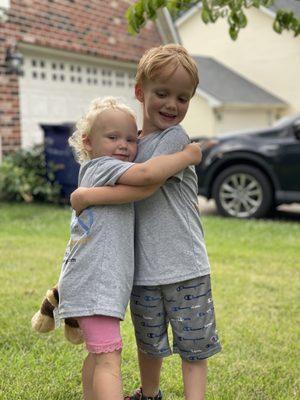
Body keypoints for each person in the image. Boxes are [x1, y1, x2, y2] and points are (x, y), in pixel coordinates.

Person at [71, 45, 221, 400]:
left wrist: (87, 196)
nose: (172, 105)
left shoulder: (176, 139)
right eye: (162, 93)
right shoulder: (129, 143)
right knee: (149, 341)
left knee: (193, 344)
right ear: (140, 92)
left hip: (184, 264)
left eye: (183, 98)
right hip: (141, 270)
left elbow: (147, 183)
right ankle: (149, 393)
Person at [57, 96, 202, 400]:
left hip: (88, 282)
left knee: (98, 356)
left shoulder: (100, 171)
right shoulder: (102, 166)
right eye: (112, 138)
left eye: (129, 138)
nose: (123, 145)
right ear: (88, 142)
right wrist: (188, 155)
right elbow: (147, 179)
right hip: (96, 284)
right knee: (109, 361)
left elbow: (144, 185)